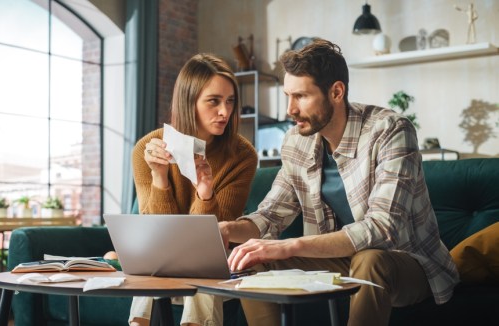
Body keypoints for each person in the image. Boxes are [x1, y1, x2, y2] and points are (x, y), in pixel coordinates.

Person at [219, 39, 459, 326]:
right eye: (288, 96)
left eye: (301, 97)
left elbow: (383, 228)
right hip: (340, 260)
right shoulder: (296, 142)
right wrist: (227, 230)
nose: (290, 110)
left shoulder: (390, 130)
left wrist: (290, 246)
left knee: (370, 260)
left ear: (336, 92)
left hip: (407, 262)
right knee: (251, 258)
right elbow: (271, 215)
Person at [128, 53, 258, 326]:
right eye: (214, 101)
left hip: (213, 258)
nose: (225, 111)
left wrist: (205, 192)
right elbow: (155, 234)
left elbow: (210, 237)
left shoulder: (242, 156)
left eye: (230, 101)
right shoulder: (146, 149)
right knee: (150, 260)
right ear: (189, 102)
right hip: (161, 258)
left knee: (203, 261)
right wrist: (160, 178)